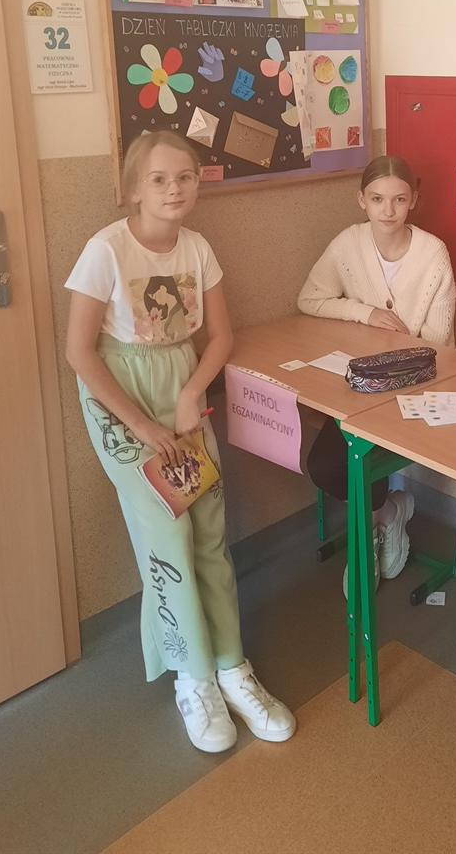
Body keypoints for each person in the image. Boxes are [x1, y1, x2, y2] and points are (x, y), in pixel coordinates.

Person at [66, 133, 296, 754]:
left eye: (186, 177)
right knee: (167, 534)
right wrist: (144, 427)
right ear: (133, 188)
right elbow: (79, 352)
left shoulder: (197, 248)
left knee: (208, 529)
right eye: (160, 179)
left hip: (181, 390)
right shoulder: (105, 249)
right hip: (122, 402)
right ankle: (192, 678)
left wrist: (193, 392)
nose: (175, 189)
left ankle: (231, 666)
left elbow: (220, 337)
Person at [298, 155, 456, 596]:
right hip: (359, 390)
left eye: (399, 199)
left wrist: (392, 363)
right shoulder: (348, 243)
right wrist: (364, 313)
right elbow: (310, 298)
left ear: (414, 201)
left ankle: (367, 534)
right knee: (324, 465)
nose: (388, 210)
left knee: (354, 457)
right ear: (361, 200)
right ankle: (386, 513)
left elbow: (440, 346)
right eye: (377, 199)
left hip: (411, 393)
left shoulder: (433, 253)